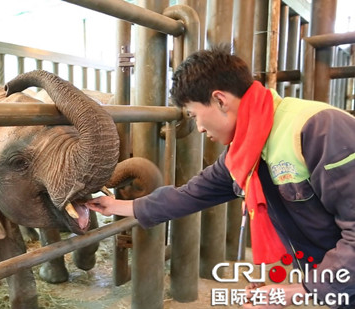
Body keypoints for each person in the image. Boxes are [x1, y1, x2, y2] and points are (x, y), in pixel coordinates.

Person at [86, 45, 355, 308]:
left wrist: (300, 290)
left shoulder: (320, 130)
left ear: (220, 100)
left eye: (194, 116)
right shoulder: (245, 150)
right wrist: (116, 206)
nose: (199, 128)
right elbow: (191, 194)